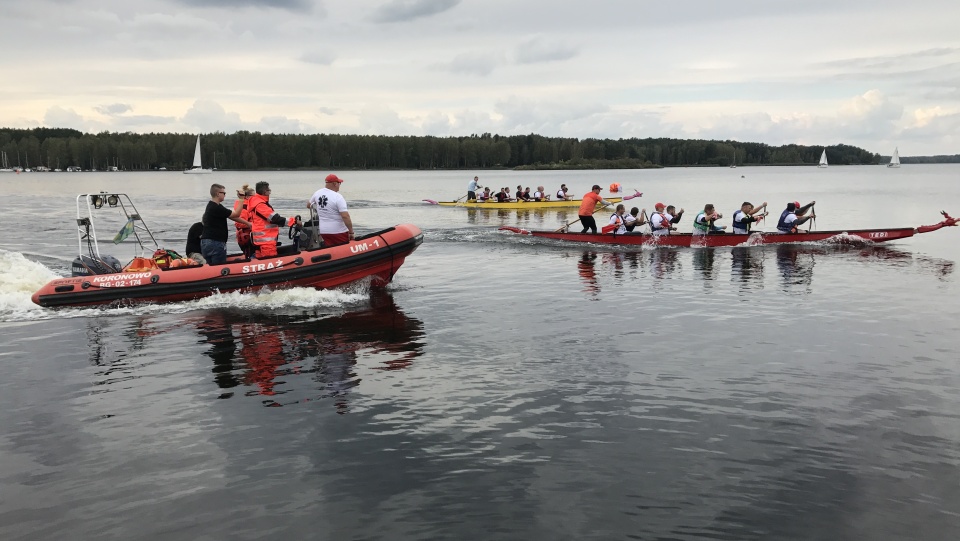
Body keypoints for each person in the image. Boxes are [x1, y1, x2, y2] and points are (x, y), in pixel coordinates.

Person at [246, 181, 299, 258]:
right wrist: (294, 221)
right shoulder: (260, 205)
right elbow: (274, 219)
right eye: (269, 190)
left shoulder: (258, 202)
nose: (270, 192)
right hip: (266, 243)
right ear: (264, 191)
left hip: (262, 241)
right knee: (270, 261)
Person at [201, 183, 250, 265]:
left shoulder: (212, 206)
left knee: (210, 266)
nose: (225, 195)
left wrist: (247, 223)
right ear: (217, 194)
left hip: (206, 242)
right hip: (216, 242)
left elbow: (232, 216)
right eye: (224, 193)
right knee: (218, 268)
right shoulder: (216, 207)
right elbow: (237, 214)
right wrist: (241, 199)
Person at [308, 173, 355, 247]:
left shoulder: (317, 193)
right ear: (335, 184)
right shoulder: (338, 197)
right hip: (338, 231)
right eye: (339, 183)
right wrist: (351, 232)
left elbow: (308, 205)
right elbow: (345, 216)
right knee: (342, 250)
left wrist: (320, 207)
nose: (339, 185)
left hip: (324, 231)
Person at [234, 184, 256, 257]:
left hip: (250, 235)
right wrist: (255, 224)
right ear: (247, 197)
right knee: (251, 254)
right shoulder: (244, 207)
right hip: (246, 237)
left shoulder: (249, 206)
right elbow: (239, 223)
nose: (255, 198)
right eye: (253, 196)